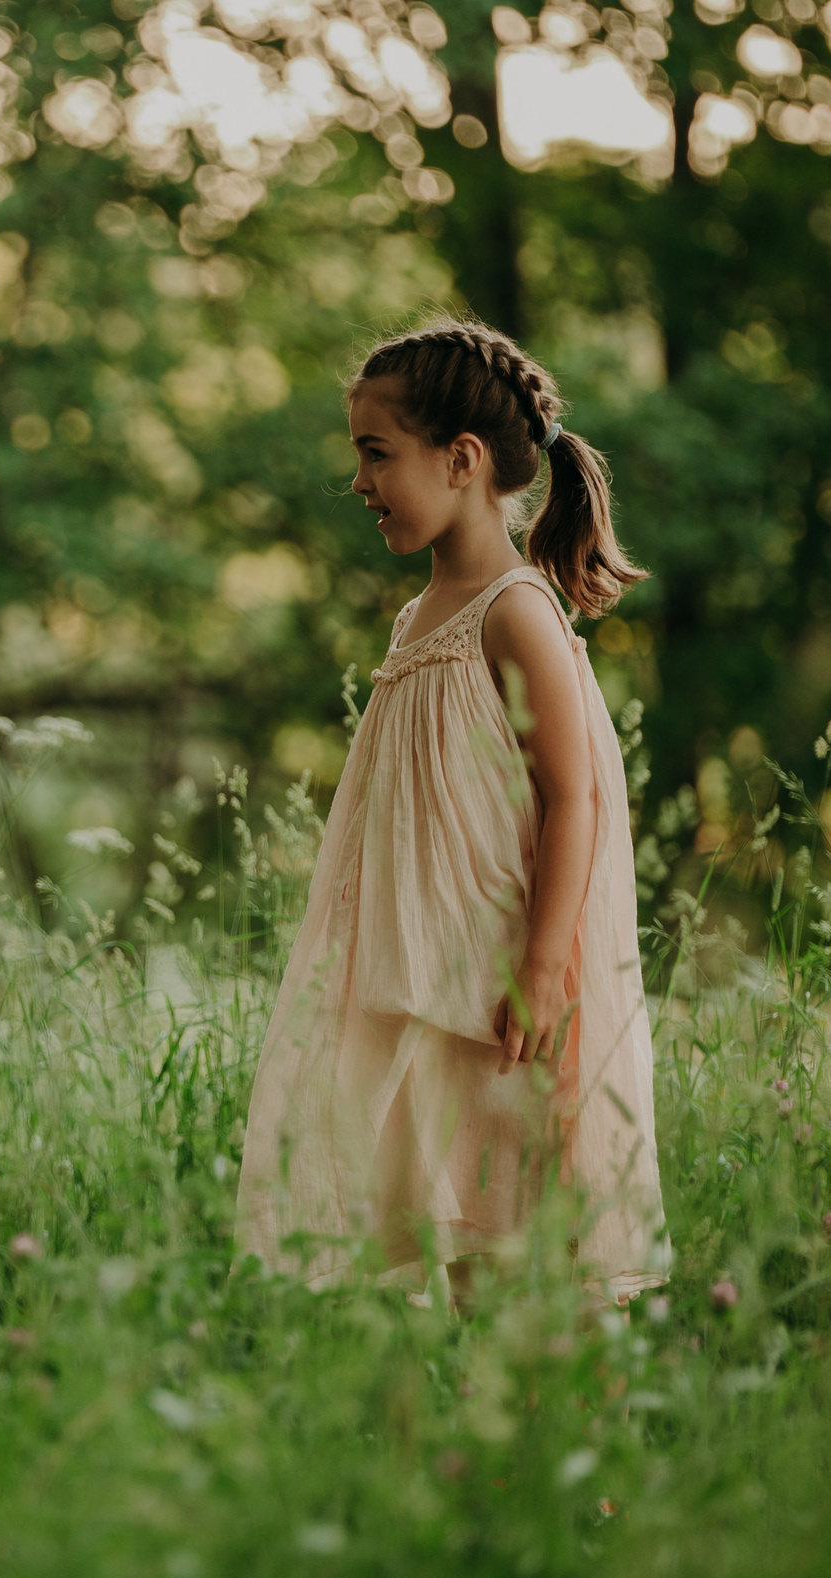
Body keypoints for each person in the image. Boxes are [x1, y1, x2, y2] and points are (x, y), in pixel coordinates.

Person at [235, 321, 666, 1304]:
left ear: (462, 459)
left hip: (501, 984)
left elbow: (575, 796)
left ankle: (562, 1425)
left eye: (375, 454)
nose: (359, 482)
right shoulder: (419, 612)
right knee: (448, 1236)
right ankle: (459, 1435)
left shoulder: (513, 610)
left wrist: (543, 966)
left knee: (523, 1234)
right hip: (425, 971)